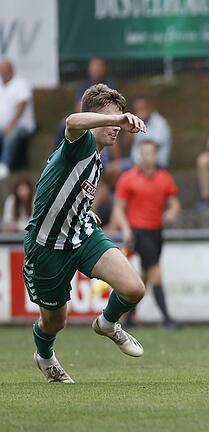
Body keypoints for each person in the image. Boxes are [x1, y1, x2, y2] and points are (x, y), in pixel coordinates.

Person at [25, 84, 147, 383]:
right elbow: (71, 122)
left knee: (133, 288)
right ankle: (45, 356)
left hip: (82, 235)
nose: (115, 126)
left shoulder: (96, 159)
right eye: (107, 120)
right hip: (47, 247)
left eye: (118, 119)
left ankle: (107, 324)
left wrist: (83, 211)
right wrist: (116, 119)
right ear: (92, 118)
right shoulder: (80, 143)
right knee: (55, 321)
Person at [113, 141, 181, 328]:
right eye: (143, 153)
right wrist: (126, 229)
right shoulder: (128, 178)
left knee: (143, 276)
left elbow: (174, 203)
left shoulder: (164, 177)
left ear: (156, 156)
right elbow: (119, 208)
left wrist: (171, 212)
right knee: (155, 272)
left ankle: (126, 319)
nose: (146, 157)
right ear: (138, 155)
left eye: (150, 153)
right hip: (138, 231)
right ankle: (166, 319)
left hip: (157, 231)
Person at [0, 59, 36, 178]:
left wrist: (11, 124)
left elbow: (22, 106)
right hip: (4, 126)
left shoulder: (21, 84)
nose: (2, 73)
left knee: (11, 134)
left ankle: (5, 165)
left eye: (5, 71)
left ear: (11, 70)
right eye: (1, 71)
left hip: (22, 126)